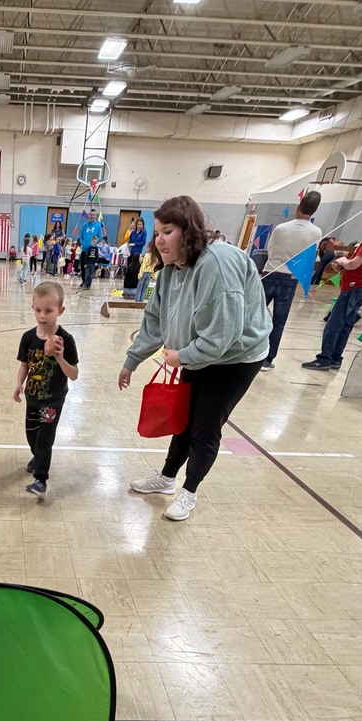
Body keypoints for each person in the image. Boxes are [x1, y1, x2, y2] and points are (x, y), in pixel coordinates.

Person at [119, 195, 271, 522]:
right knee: (183, 418)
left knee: (205, 425)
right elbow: (155, 319)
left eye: (168, 230)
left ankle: (189, 491)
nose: (159, 238)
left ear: (188, 231)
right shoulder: (172, 269)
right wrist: (132, 361)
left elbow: (223, 336)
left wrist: (182, 356)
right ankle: (168, 478)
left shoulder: (217, 264)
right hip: (199, 352)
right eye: (157, 231)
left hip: (237, 358)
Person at [14, 281, 79, 498]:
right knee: (31, 435)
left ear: (60, 311)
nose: (42, 315)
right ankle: (38, 457)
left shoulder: (66, 340)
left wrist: (59, 357)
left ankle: (41, 479)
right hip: (32, 396)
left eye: (49, 310)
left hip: (53, 400)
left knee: (45, 439)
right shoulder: (28, 337)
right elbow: (24, 365)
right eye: (38, 310)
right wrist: (18, 385)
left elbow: (74, 374)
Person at [302, 217, 362, 371]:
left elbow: (355, 264)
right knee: (346, 324)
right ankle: (335, 358)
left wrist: (342, 261)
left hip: (356, 285)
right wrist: (343, 264)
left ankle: (324, 359)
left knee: (335, 323)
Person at [260, 191, 322, 371]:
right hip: (290, 279)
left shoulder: (280, 228)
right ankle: (267, 359)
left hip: (271, 273)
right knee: (279, 321)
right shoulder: (316, 232)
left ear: (298, 207)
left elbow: (271, 249)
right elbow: (310, 257)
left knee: (253, 314)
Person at [123, 217, 147, 297]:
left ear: (143, 225)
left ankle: (134, 288)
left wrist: (135, 244)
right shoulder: (133, 232)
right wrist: (130, 243)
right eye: (138, 224)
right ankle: (127, 288)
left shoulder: (144, 232)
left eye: (141, 224)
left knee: (136, 271)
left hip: (137, 253)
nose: (139, 226)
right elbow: (130, 240)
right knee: (129, 270)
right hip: (131, 253)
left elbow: (143, 242)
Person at [79, 208, 100, 281]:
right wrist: (83, 243)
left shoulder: (98, 226)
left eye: (93, 215)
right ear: (89, 215)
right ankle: (83, 281)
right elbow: (81, 236)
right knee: (82, 265)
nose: (92, 216)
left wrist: (95, 243)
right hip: (85, 249)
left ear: (95, 215)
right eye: (91, 214)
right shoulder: (85, 225)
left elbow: (100, 236)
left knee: (90, 268)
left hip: (92, 250)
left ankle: (88, 282)